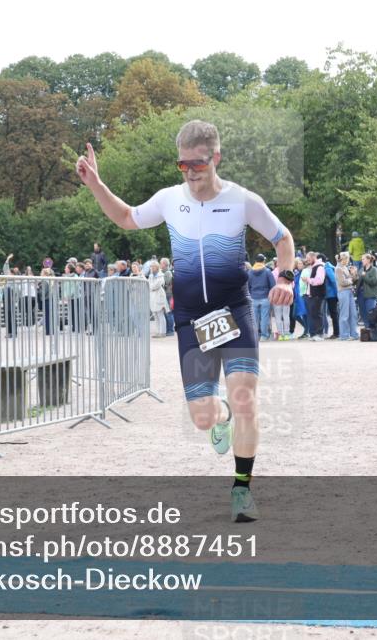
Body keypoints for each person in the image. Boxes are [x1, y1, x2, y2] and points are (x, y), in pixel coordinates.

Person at [76, 119, 295, 522]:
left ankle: (241, 489)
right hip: (192, 318)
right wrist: (95, 183)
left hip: (235, 311)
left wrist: (285, 277)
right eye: (183, 166)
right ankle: (221, 414)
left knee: (246, 396)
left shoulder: (242, 200)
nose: (191, 174)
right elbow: (126, 217)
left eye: (197, 164)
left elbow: (283, 239)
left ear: (216, 158)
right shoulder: (168, 199)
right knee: (203, 416)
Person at [247, 253, 276, 341]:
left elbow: (247, 286)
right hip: (265, 297)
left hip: (253, 297)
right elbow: (273, 285)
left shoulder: (250, 272)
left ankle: (256, 336)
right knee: (265, 317)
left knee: (255, 318)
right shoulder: (267, 271)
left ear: (255, 261)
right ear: (263, 261)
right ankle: (264, 335)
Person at [335, 252, 359, 340]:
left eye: (348, 259)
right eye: (347, 259)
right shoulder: (338, 269)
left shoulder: (345, 267)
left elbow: (354, 279)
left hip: (349, 291)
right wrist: (351, 279)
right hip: (343, 292)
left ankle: (354, 334)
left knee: (353, 314)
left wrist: (354, 273)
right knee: (344, 314)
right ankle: (344, 335)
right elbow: (343, 282)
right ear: (343, 259)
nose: (348, 260)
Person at [359, 253, 377, 327]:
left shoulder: (374, 269)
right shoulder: (361, 269)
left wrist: (364, 275)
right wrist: (354, 276)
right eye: (361, 259)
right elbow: (358, 282)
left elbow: (373, 282)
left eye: (363, 259)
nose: (362, 260)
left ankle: (372, 330)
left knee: (371, 313)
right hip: (361, 294)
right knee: (363, 313)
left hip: (370, 295)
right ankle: (367, 330)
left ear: (368, 260)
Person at [149, 263, 169, 337]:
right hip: (152, 296)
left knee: (160, 314)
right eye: (151, 267)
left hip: (159, 296)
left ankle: (162, 332)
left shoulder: (161, 276)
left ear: (157, 268)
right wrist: (151, 286)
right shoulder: (151, 276)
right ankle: (157, 332)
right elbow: (149, 285)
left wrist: (151, 286)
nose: (152, 268)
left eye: (153, 267)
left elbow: (155, 286)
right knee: (155, 315)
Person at [161, 258, 175, 336]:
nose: (160, 265)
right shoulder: (163, 272)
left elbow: (166, 283)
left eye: (161, 263)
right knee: (166, 312)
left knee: (168, 312)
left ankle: (170, 330)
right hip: (166, 294)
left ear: (165, 264)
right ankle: (168, 329)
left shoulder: (168, 272)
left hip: (168, 294)